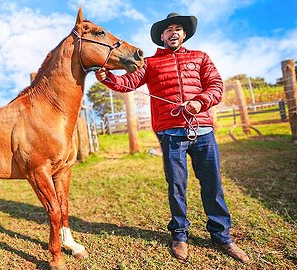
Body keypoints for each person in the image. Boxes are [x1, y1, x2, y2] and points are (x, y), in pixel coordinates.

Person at [95, 13, 249, 263]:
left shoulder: (200, 57)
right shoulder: (150, 63)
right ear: (162, 36)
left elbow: (216, 86)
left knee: (212, 184)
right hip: (171, 133)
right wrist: (108, 78)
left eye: (178, 29)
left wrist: (200, 102)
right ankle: (179, 234)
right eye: (168, 30)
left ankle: (222, 236)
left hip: (203, 132)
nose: (173, 32)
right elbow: (127, 82)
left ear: (184, 34)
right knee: (177, 186)